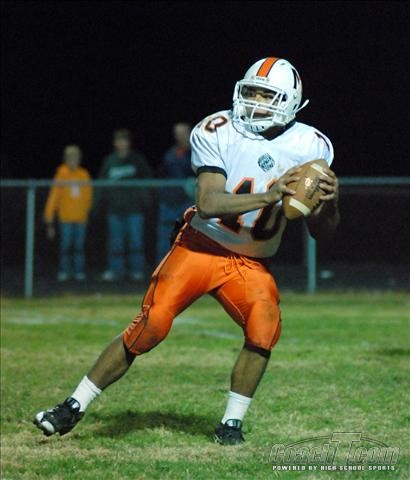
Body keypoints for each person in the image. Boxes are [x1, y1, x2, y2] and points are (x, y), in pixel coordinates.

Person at [34, 57, 340, 445]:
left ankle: (231, 424)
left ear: (290, 102)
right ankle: (72, 405)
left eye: (267, 95)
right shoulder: (218, 129)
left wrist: (328, 202)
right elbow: (209, 203)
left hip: (251, 261)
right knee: (152, 324)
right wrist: (269, 195)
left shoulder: (311, 146)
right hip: (201, 246)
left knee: (264, 328)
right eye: (251, 92)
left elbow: (323, 232)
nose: (255, 101)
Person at [95, 129, 154, 281]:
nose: (121, 143)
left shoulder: (137, 160)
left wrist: (145, 201)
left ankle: (136, 270)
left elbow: (148, 180)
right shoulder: (109, 161)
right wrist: (98, 205)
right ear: (115, 143)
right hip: (114, 210)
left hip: (135, 210)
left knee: (136, 242)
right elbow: (101, 184)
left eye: (124, 140)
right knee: (116, 243)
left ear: (129, 143)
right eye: (119, 140)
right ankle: (116, 271)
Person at [43, 145, 92, 281]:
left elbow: (88, 197)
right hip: (65, 218)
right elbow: (54, 197)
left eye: (76, 157)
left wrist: (87, 213)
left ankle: (79, 271)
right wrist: (49, 217)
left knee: (79, 246)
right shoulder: (61, 174)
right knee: (66, 246)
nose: (73, 160)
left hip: (81, 218)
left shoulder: (84, 174)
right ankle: (64, 270)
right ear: (65, 159)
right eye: (70, 157)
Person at [156, 122, 194, 262]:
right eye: (177, 133)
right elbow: (161, 175)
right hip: (169, 204)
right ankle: (164, 264)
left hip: (188, 202)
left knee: (188, 236)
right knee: (165, 236)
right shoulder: (169, 155)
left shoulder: (197, 152)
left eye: (183, 133)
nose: (180, 136)